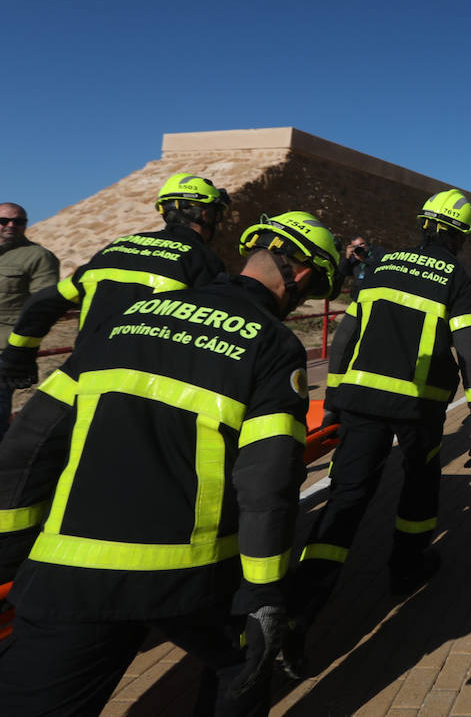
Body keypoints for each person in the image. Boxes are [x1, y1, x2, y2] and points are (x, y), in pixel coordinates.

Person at [0, 211, 341, 716]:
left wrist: (11, 553)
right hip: (193, 577)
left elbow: (29, 443)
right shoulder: (271, 344)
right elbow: (268, 482)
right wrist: (266, 594)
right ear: (304, 277)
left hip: (71, 569)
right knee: (241, 674)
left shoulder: (126, 319)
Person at [292, 189, 471, 641]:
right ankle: (407, 569)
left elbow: (344, 338)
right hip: (418, 407)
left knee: (347, 496)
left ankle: (302, 605)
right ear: (461, 236)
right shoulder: (461, 276)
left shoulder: (382, 265)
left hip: (361, 400)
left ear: (424, 224)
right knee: (419, 489)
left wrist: (338, 396)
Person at [0, 174, 230, 403]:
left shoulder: (118, 247)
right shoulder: (203, 261)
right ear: (206, 213)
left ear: (163, 210)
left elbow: (43, 302)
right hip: (141, 391)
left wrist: (18, 354)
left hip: (78, 382)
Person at [0, 203, 58, 441]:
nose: (11, 226)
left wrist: (21, 350)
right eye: (4, 221)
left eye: (19, 221)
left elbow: (43, 306)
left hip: (4, 349)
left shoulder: (38, 257)